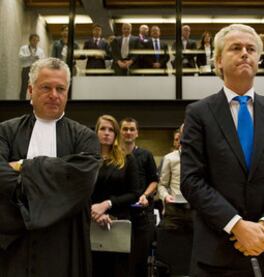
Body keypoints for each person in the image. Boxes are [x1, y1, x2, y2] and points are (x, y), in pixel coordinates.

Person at [180, 24, 264, 276]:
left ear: (258, 59)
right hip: (217, 253)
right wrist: (237, 226)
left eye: (251, 49)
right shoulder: (199, 113)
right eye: (236, 48)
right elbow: (192, 180)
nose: (245, 53)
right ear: (218, 61)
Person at [0, 57, 101, 276]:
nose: (54, 95)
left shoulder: (85, 137)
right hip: (14, 241)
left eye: (60, 88)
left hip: (65, 243)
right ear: (30, 90)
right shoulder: (6, 131)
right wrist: (52, 179)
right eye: (46, 87)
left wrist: (21, 166)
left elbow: (79, 182)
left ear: (67, 93)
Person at [91, 115, 140, 277]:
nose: (106, 133)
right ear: (96, 131)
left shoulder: (127, 159)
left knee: (118, 271)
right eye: (102, 129)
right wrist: (93, 211)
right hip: (90, 221)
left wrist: (107, 204)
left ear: (115, 134)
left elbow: (134, 194)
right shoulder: (87, 159)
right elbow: (78, 191)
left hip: (117, 221)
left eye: (111, 130)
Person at [120, 117, 159, 276]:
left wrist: (145, 195)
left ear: (137, 133)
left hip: (143, 214)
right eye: (125, 129)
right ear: (120, 132)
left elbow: (154, 181)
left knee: (140, 260)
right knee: (121, 260)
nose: (128, 132)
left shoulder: (146, 155)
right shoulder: (115, 155)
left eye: (131, 129)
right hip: (121, 213)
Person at [158, 124, 192, 230]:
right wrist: (165, 196)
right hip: (175, 212)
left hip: (196, 211)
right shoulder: (169, 158)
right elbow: (162, 185)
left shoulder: (201, 157)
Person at [19, 34, 45, 100]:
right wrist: (30, 57)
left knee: (35, 87)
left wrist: (38, 60)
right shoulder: (24, 48)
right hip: (26, 69)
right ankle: (21, 103)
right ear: (30, 40)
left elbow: (43, 61)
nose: (35, 42)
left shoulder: (40, 51)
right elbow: (21, 57)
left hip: (36, 70)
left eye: (37, 40)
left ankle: (33, 102)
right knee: (24, 87)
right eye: (34, 40)